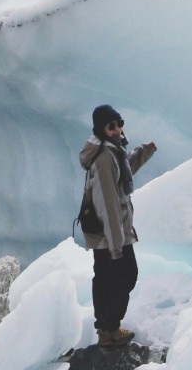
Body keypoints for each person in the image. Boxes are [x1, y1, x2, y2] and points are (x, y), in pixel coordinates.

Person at [79, 104, 157, 348]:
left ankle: (105, 328)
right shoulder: (104, 158)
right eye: (111, 125)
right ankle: (109, 328)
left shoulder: (113, 152)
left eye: (119, 123)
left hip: (108, 233)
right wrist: (116, 245)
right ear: (101, 129)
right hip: (111, 233)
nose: (117, 128)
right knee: (125, 275)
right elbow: (108, 204)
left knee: (105, 277)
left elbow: (122, 175)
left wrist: (142, 153)